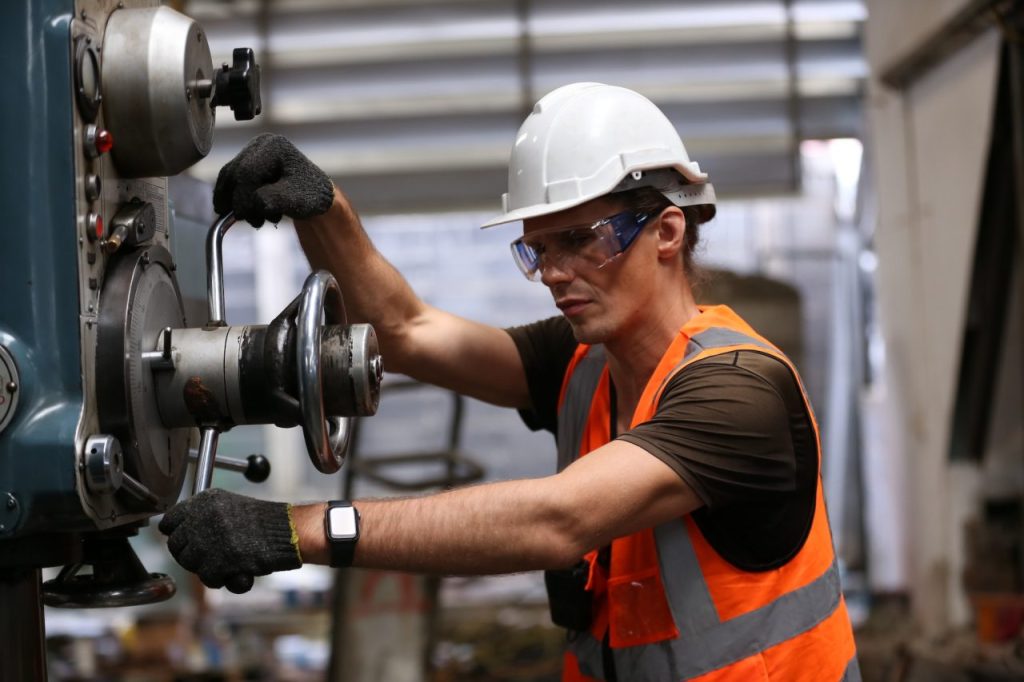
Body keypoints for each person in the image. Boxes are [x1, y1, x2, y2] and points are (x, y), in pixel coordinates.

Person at [160, 82, 860, 681]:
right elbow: (404, 334)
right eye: (540, 248)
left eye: (584, 239)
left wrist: (300, 529)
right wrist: (326, 211)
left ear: (668, 232)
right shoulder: (587, 360)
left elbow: (557, 520)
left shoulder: (739, 391)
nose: (555, 273)